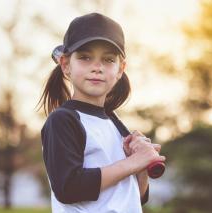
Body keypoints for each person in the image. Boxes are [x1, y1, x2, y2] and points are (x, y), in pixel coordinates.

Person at [38, 12, 165, 213]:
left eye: (108, 60)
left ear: (121, 69)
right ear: (65, 65)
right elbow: (68, 188)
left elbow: (134, 198)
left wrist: (142, 168)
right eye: (85, 57)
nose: (97, 67)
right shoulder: (63, 120)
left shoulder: (115, 126)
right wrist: (132, 163)